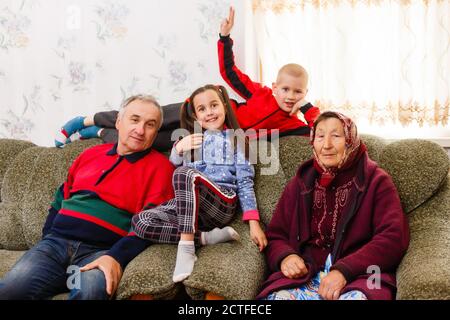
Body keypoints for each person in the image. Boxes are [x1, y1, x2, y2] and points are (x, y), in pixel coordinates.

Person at [0, 95, 175, 300]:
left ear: (155, 133)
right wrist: (48, 237)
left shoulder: (161, 168)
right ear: (119, 122)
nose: (140, 130)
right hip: (55, 245)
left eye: (150, 124)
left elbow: (151, 226)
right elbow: (60, 199)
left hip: (101, 252)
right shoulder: (90, 154)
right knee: (10, 291)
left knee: (90, 293)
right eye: (134, 120)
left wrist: (115, 257)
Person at [256, 111, 410, 300]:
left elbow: (393, 238)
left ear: (350, 140)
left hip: (361, 276)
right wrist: (285, 257)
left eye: (336, 136)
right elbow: (276, 235)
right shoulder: (301, 182)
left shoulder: (377, 181)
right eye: (320, 136)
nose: (326, 145)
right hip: (306, 275)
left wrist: (344, 270)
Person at [131, 84, 267, 283]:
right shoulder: (190, 141)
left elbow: (245, 182)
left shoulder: (237, 139)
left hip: (221, 203)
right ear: (195, 116)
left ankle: (186, 249)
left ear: (225, 107)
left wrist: (254, 223)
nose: (209, 112)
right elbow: (172, 170)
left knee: (185, 173)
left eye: (214, 106)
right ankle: (205, 238)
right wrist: (178, 149)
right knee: (140, 221)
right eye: (202, 109)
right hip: (192, 211)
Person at [218, 7, 320, 137]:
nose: (291, 96)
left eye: (298, 91)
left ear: (306, 93)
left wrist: (307, 107)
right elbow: (230, 73)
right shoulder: (260, 93)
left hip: (232, 145)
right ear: (275, 87)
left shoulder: (292, 124)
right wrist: (224, 38)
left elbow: (320, 132)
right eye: (285, 89)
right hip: (218, 122)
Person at [54, 102, 182, 152]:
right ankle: (85, 121)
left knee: (144, 140)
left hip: (196, 131)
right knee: (143, 117)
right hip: (193, 113)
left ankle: (98, 131)